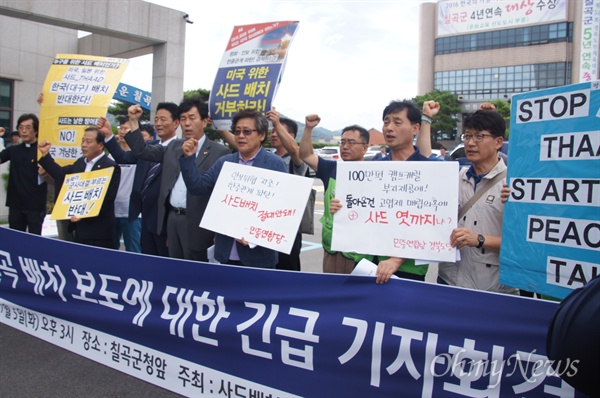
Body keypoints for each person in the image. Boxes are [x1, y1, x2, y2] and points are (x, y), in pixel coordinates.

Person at [124, 98, 230, 261]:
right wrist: (133, 121)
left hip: (198, 223)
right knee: (173, 266)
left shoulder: (219, 152)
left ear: (204, 121)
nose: (187, 123)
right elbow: (142, 151)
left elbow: (220, 195)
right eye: (183, 119)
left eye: (192, 118)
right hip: (172, 219)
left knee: (195, 270)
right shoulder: (173, 147)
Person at [179, 108, 287, 268]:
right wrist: (188, 159)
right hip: (226, 251)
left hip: (259, 256)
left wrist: (255, 235)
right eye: (237, 131)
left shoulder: (275, 164)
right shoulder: (225, 162)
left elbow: (284, 210)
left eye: (247, 131)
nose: (241, 136)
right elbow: (197, 188)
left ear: (262, 135)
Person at [436, 109, 519, 294]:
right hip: (448, 280)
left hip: (490, 288)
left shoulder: (513, 185)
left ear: (498, 142)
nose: (471, 143)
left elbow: (519, 244)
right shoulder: (455, 178)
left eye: (479, 136)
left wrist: (479, 239)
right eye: (467, 136)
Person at [217, 108, 309, 271]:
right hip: (254, 236)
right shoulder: (259, 157)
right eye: (272, 131)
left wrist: (276, 122)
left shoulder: (287, 161)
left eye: (278, 131)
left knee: (285, 274)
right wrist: (221, 126)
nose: (274, 134)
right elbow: (241, 142)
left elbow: (295, 150)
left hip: (284, 231)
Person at [298, 116, 375, 274]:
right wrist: (308, 129)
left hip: (360, 253)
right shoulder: (331, 168)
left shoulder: (375, 175)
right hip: (333, 250)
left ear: (365, 147)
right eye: (342, 142)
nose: (345, 147)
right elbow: (305, 155)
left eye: (351, 143)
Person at [38, 127, 121, 248]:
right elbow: (60, 174)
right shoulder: (80, 163)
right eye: (82, 141)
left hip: (100, 231)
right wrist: (45, 154)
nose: (84, 145)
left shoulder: (110, 167)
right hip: (80, 230)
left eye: (88, 141)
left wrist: (83, 213)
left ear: (100, 145)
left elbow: (107, 199)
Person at [0, 115, 48, 235]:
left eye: (28, 127)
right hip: (15, 204)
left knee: (34, 243)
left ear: (36, 130)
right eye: (21, 128)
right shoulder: (13, 150)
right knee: (15, 241)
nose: (24, 131)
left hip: (35, 206)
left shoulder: (42, 151)